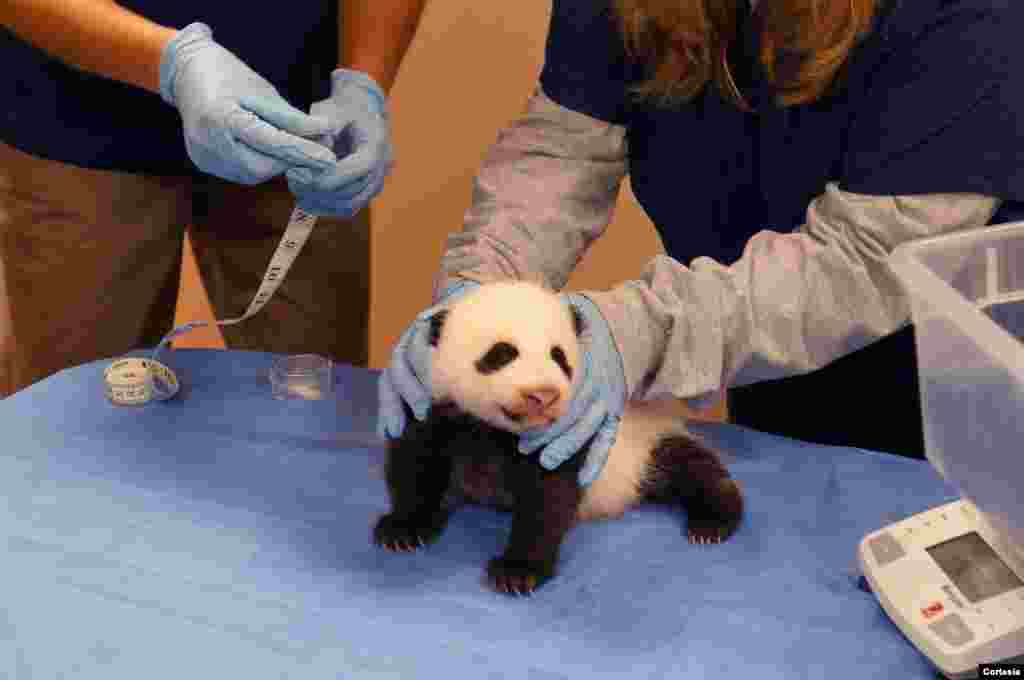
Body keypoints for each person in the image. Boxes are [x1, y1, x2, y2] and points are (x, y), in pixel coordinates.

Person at [379, 0, 1024, 484]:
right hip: (779, 382)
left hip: (968, 393)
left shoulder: (967, 17)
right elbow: (564, 147)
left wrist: (634, 332)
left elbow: (865, 261)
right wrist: (479, 293)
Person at [0, 0, 427, 397]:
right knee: (81, 406)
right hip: (70, 110)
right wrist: (175, 63)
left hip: (294, 123)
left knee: (312, 396)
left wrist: (362, 80)